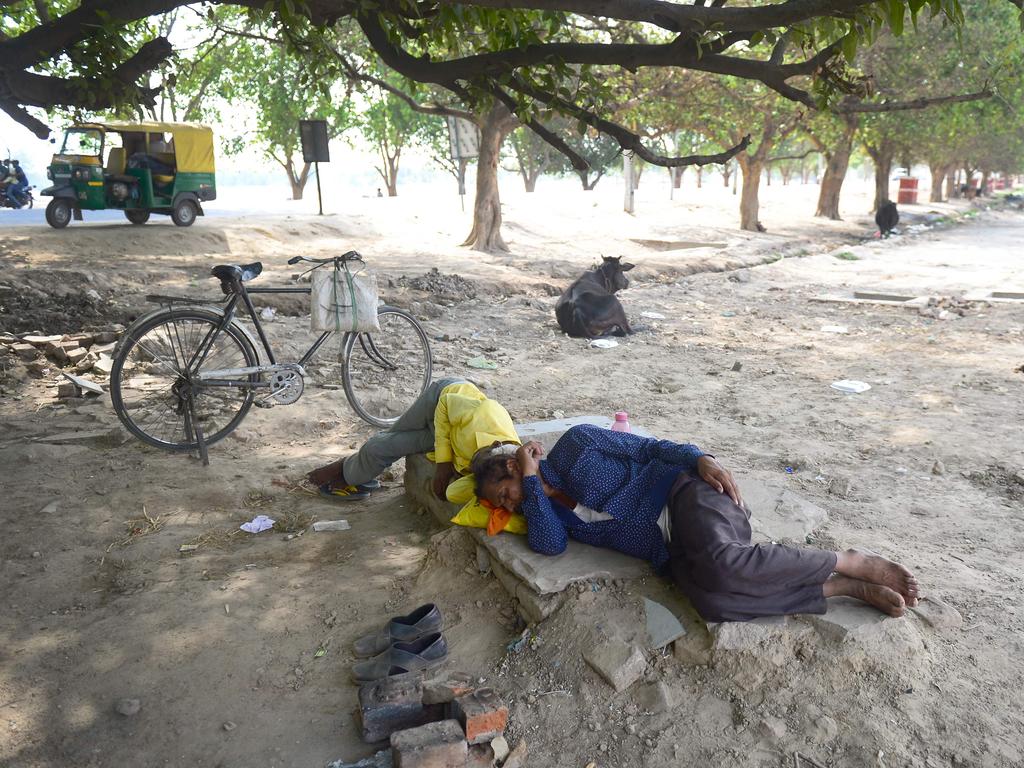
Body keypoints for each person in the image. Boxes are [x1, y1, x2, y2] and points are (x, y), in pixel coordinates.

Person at [471, 425, 920, 622]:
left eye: (504, 495)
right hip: (669, 548)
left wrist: (699, 458)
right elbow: (550, 549)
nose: (508, 507)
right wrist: (530, 489)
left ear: (512, 466)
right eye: (502, 506)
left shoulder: (575, 446)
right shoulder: (542, 512)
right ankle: (844, 588)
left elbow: (650, 449)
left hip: (683, 495)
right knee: (713, 603)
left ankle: (848, 561)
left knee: (725, 564)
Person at [307, 379, 520, 513]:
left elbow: (454, 493)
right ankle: (347, 470)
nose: (508, 505)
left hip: (442, 436)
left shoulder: (487, 473)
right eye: (504, 497)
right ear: (511, 466)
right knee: (394, 435)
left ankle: (349, 471)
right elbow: (446, 405)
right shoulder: (487, 415)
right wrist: (444, 465)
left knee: (380, 446)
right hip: (440, 401)